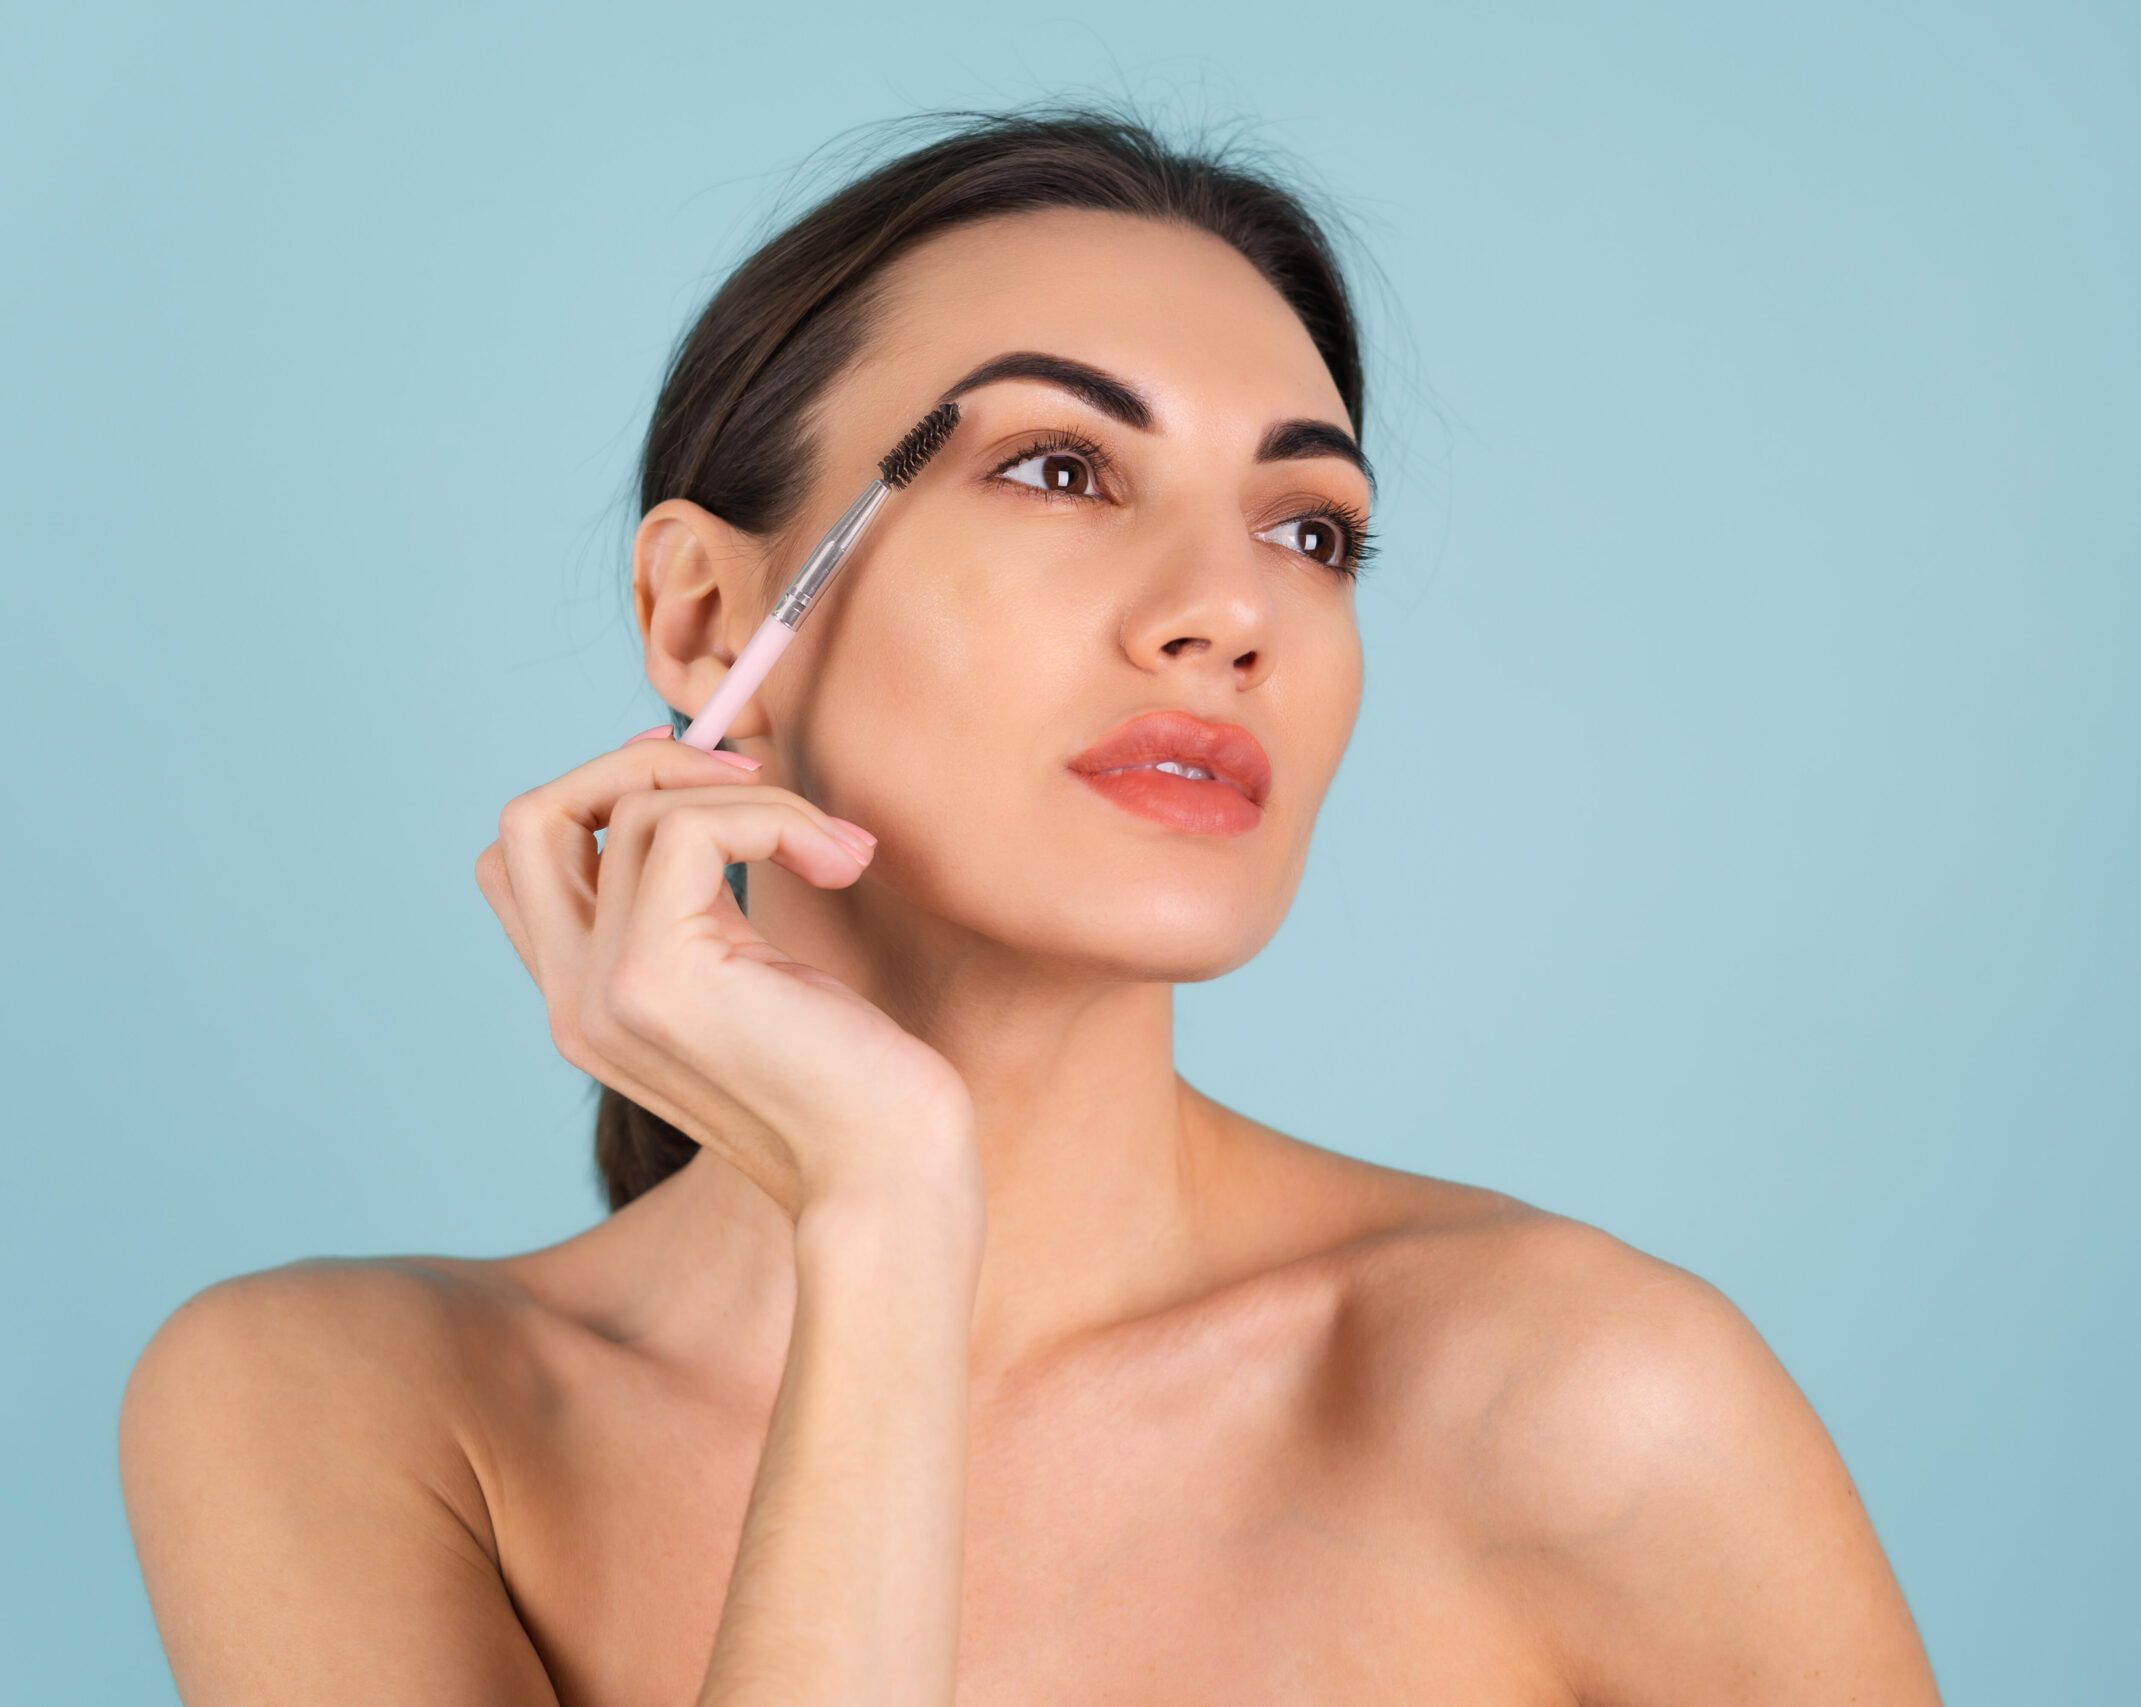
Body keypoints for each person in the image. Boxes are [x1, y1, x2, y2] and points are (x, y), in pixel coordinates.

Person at [117, 103, 1941, 1705]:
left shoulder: (1586, 1405)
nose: (1229, 608)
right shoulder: (339, 1410)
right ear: (702, 619)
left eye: (1311, 530)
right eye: (1060, 470)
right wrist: (893, 1221)